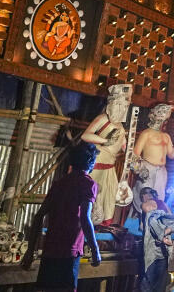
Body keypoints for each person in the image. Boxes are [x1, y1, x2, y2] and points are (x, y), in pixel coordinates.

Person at [22, 143, 102, 292]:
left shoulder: (59, 183)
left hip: (50, 250)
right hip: (69, 251)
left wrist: (30, 251)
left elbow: (39, 216)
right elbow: (85, 217)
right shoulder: (88, 184)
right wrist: (95, 249)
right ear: (91, 163)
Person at [73, 83, 132, 224]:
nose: (123, 107)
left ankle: (100, 227)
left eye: (125, 104)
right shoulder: (103, 119)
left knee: (109, 197)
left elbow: (123, 145)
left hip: (110, 167)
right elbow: (85, 135)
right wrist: (104, 141)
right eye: (120, 104)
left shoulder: (121, 126)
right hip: (97, 163)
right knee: (91, 195)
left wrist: (132, 155)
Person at [130, 103, 174, 200]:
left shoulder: (166, 136)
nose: (163, 121)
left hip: (161, 172)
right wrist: (140, 169)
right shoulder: (146, 133)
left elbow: (171, 155)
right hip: (147, 170)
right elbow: (135, 154)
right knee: (144, 199)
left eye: (165, 119)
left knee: (159, 199)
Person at [138, 187, 174, 292]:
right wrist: (164, 234)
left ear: (144, 196)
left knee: (147, 283)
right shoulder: (164, 204)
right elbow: (172, 223)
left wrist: (160, 236)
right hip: (164, 250)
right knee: (160, 284)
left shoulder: (146, 204)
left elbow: (147, 223)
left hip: (152, 248)